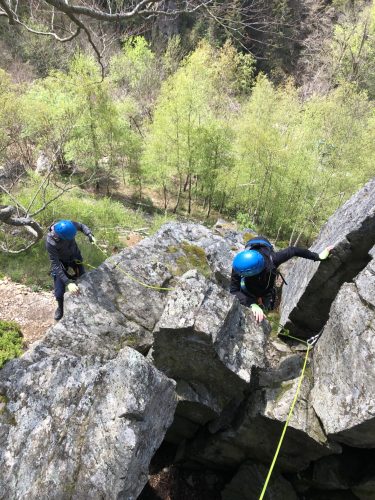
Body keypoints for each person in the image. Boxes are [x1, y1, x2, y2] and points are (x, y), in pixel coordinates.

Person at [230, 236, 333, 322]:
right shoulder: (239, 266)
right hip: (252, 247)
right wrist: (251, 304)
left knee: (266, 298)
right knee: (248, 291)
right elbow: (234, 290)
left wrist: (318, 256)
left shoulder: (273, 259)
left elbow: (294, 250)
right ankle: (257, 299)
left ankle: (265, 298)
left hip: (265, 249)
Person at [46, 220, 96, 320]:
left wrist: (89, 234)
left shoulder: (68, 225)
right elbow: (55, 264)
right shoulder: (51, 242)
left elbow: (81, 226)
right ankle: (60, 307)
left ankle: (82, 301)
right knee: (59, 292)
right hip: (61, 262)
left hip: (75, 257)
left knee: (83, 278)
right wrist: (68, 282)